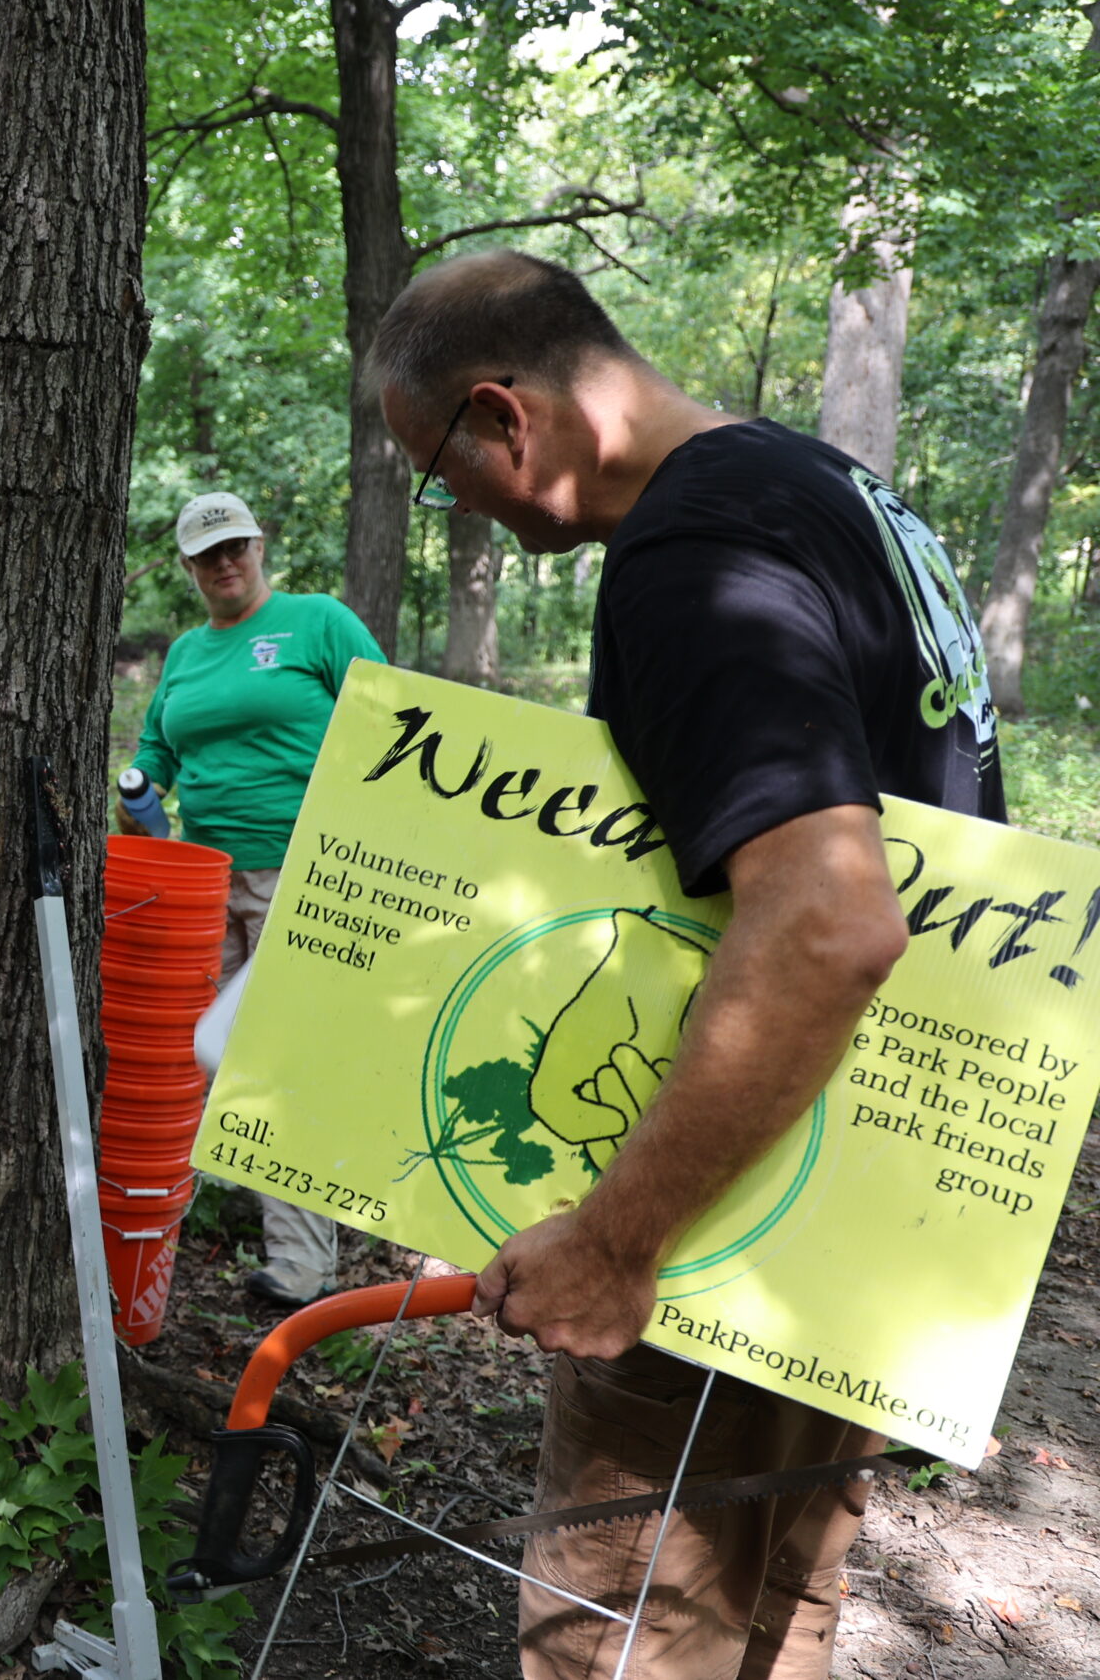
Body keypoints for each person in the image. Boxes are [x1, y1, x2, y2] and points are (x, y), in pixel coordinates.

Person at [367, 250, 1000, 1680]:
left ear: (502, 414)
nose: (451, 505)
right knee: (781, 1613)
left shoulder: (694, 556)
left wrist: (614, 1241)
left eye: (435, 468)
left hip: (728, 1221)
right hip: (848, 1213)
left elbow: (831, 922)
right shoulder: (829, 491)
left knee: (625, 1631)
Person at [122, 490, 385, 1306]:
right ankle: (180, 1209)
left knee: (273, 1051)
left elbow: (395, 722)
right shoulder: (186, 657)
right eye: (207, 554)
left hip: (303, 874)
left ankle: (303, 1261)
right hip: (202, 882)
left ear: (259, 545)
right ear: (189, 567)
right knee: (201, 1051)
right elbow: (155, 751)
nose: (225, 562)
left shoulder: (318, 623)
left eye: (235, 545)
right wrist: (139, 798)